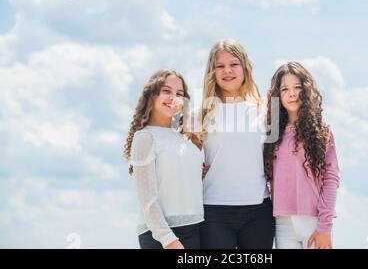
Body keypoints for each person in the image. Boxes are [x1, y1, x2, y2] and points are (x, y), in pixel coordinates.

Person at [199, 39, 275, 249]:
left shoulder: (267, 111)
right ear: (212, 72)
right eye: (220, 66)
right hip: (213, 210)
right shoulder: (200, 115)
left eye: (233, 64)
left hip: (259, 211)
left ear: (244, 67)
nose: (227, 71)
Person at [123, 69, 203, 249]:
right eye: (166, 91)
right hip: (160, 236)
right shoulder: (146, 137)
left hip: (195, 229)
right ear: (152, 95)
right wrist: (168, 240)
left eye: (179, 93)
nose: (173, 97)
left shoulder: (186, 139)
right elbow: (147, 199)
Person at [263, 61, 340, 249]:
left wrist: (325, 227)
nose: (291, 94)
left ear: (306, 90)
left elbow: (331, 179)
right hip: (282, 224)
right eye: (284, 89)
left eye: (297, 87)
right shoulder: (270, 133)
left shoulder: (322, 131)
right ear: (277, 95)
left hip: (314, 223)